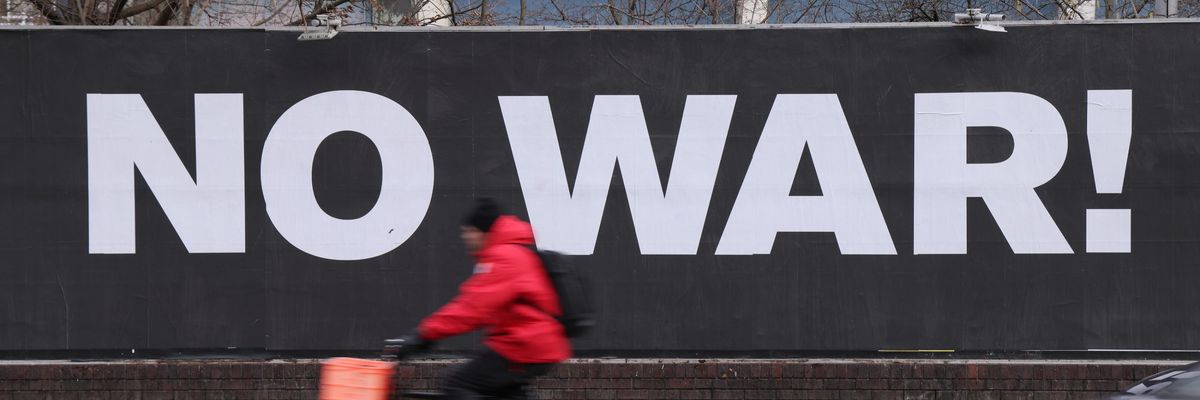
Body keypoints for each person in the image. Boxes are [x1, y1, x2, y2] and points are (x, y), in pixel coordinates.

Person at [384, 198, 571, 399]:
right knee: (505, 393)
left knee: (457, 383)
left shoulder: (504, 257)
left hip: (524, 345)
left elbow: (472, 308)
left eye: (469, 231)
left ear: (482, 232)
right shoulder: (513, 252)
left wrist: (423, 335)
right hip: (534, 344)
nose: (465, 237)